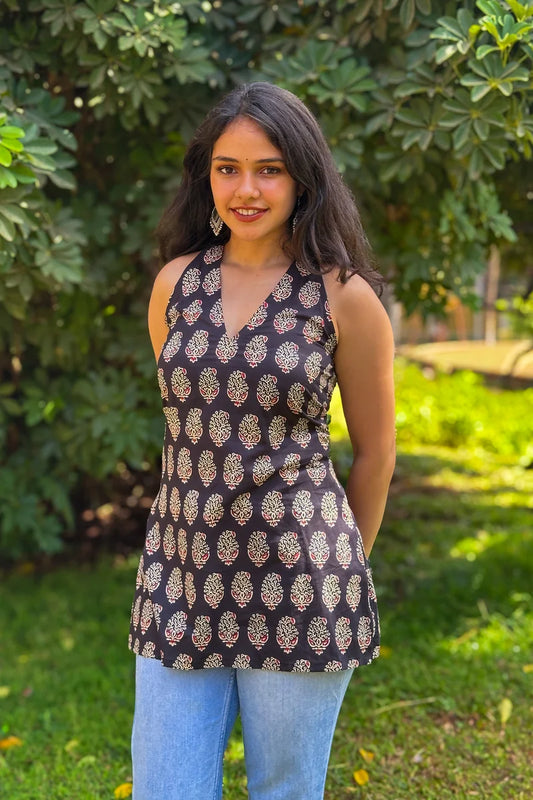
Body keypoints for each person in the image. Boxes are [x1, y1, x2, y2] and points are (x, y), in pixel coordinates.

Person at [128, 81, 396, 800]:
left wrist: (342, 569)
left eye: (268, 168)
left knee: (283, 789)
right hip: (180, 577)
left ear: (303, 178)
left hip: (298, 580)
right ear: (206, 176)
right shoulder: (174, 285)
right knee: (166, 787)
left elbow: (374, 453)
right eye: (227, 168)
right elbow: (183, 426)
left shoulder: (344, 297)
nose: (245, 188)